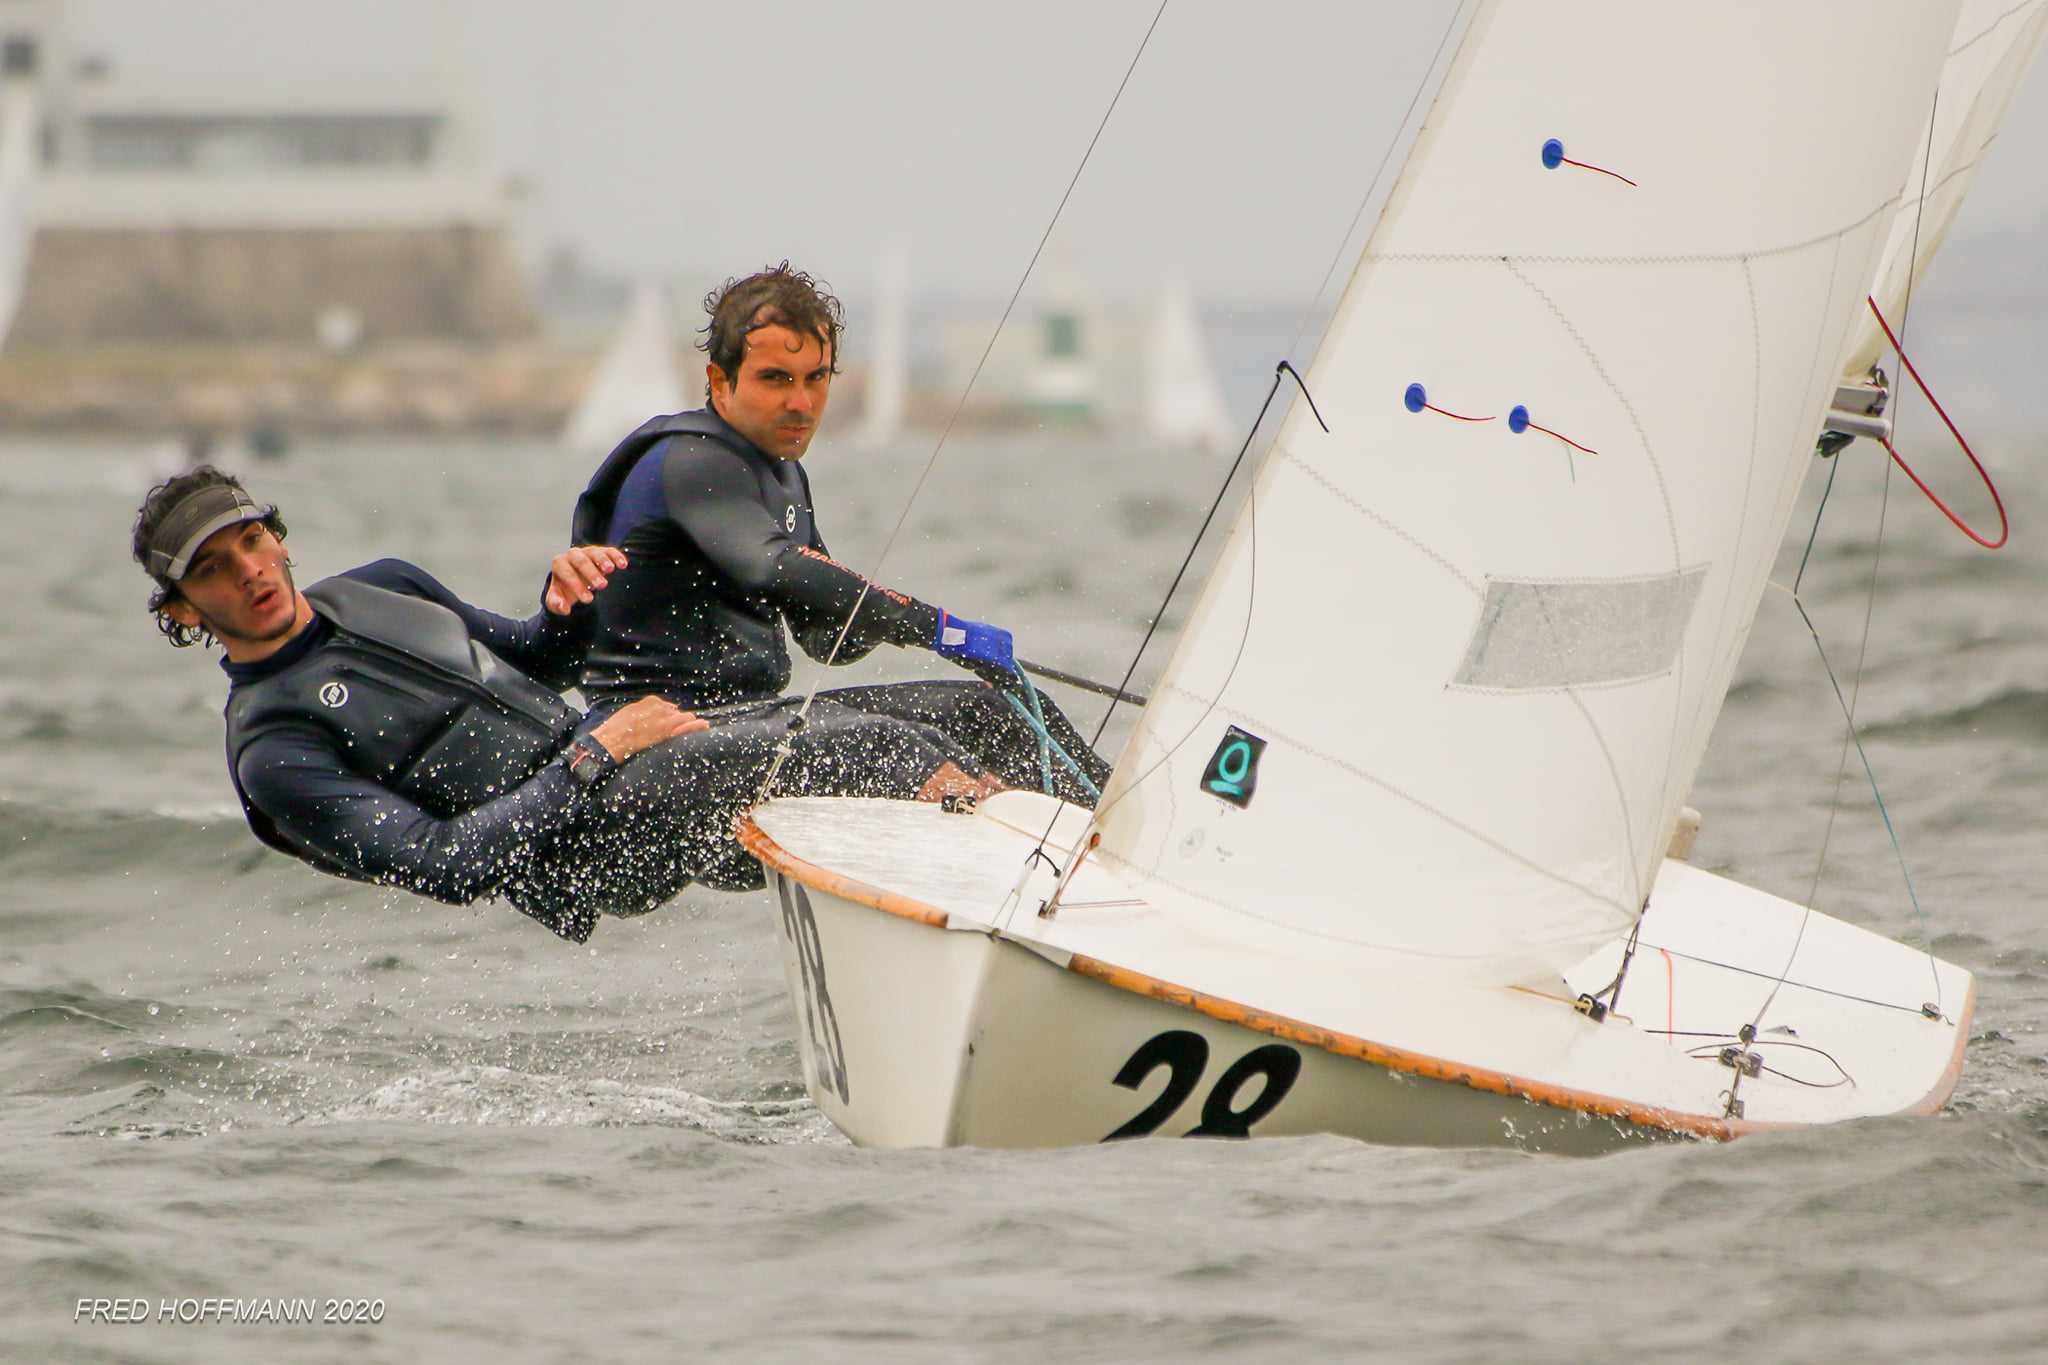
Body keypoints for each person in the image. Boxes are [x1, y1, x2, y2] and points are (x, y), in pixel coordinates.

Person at [132, 467, 995, 943]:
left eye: (252, 540)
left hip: (627, 756)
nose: (249, 571)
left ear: (277, 536)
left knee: (962, 713)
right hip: (584, 849)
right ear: (183, 612)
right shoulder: (273, 748)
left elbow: (540, 662)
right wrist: (597, 755)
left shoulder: (380, 585)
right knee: (870, 744)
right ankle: (1001, 877)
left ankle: (1070, 855)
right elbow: (445, 864)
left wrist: (568, 602)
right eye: (213, 569)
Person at [571, 263, 1110, 804]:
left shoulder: (782, 473)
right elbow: (772, 565)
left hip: (745, 723)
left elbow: (827, 639)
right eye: (776, 378)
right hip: (649, 745)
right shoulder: (691, 461)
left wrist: (891, 624)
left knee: (988, 713)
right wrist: (935, 627)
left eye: (816, 378)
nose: (801, 403)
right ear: (719, 381)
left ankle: (1121, 820)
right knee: (892, 745)